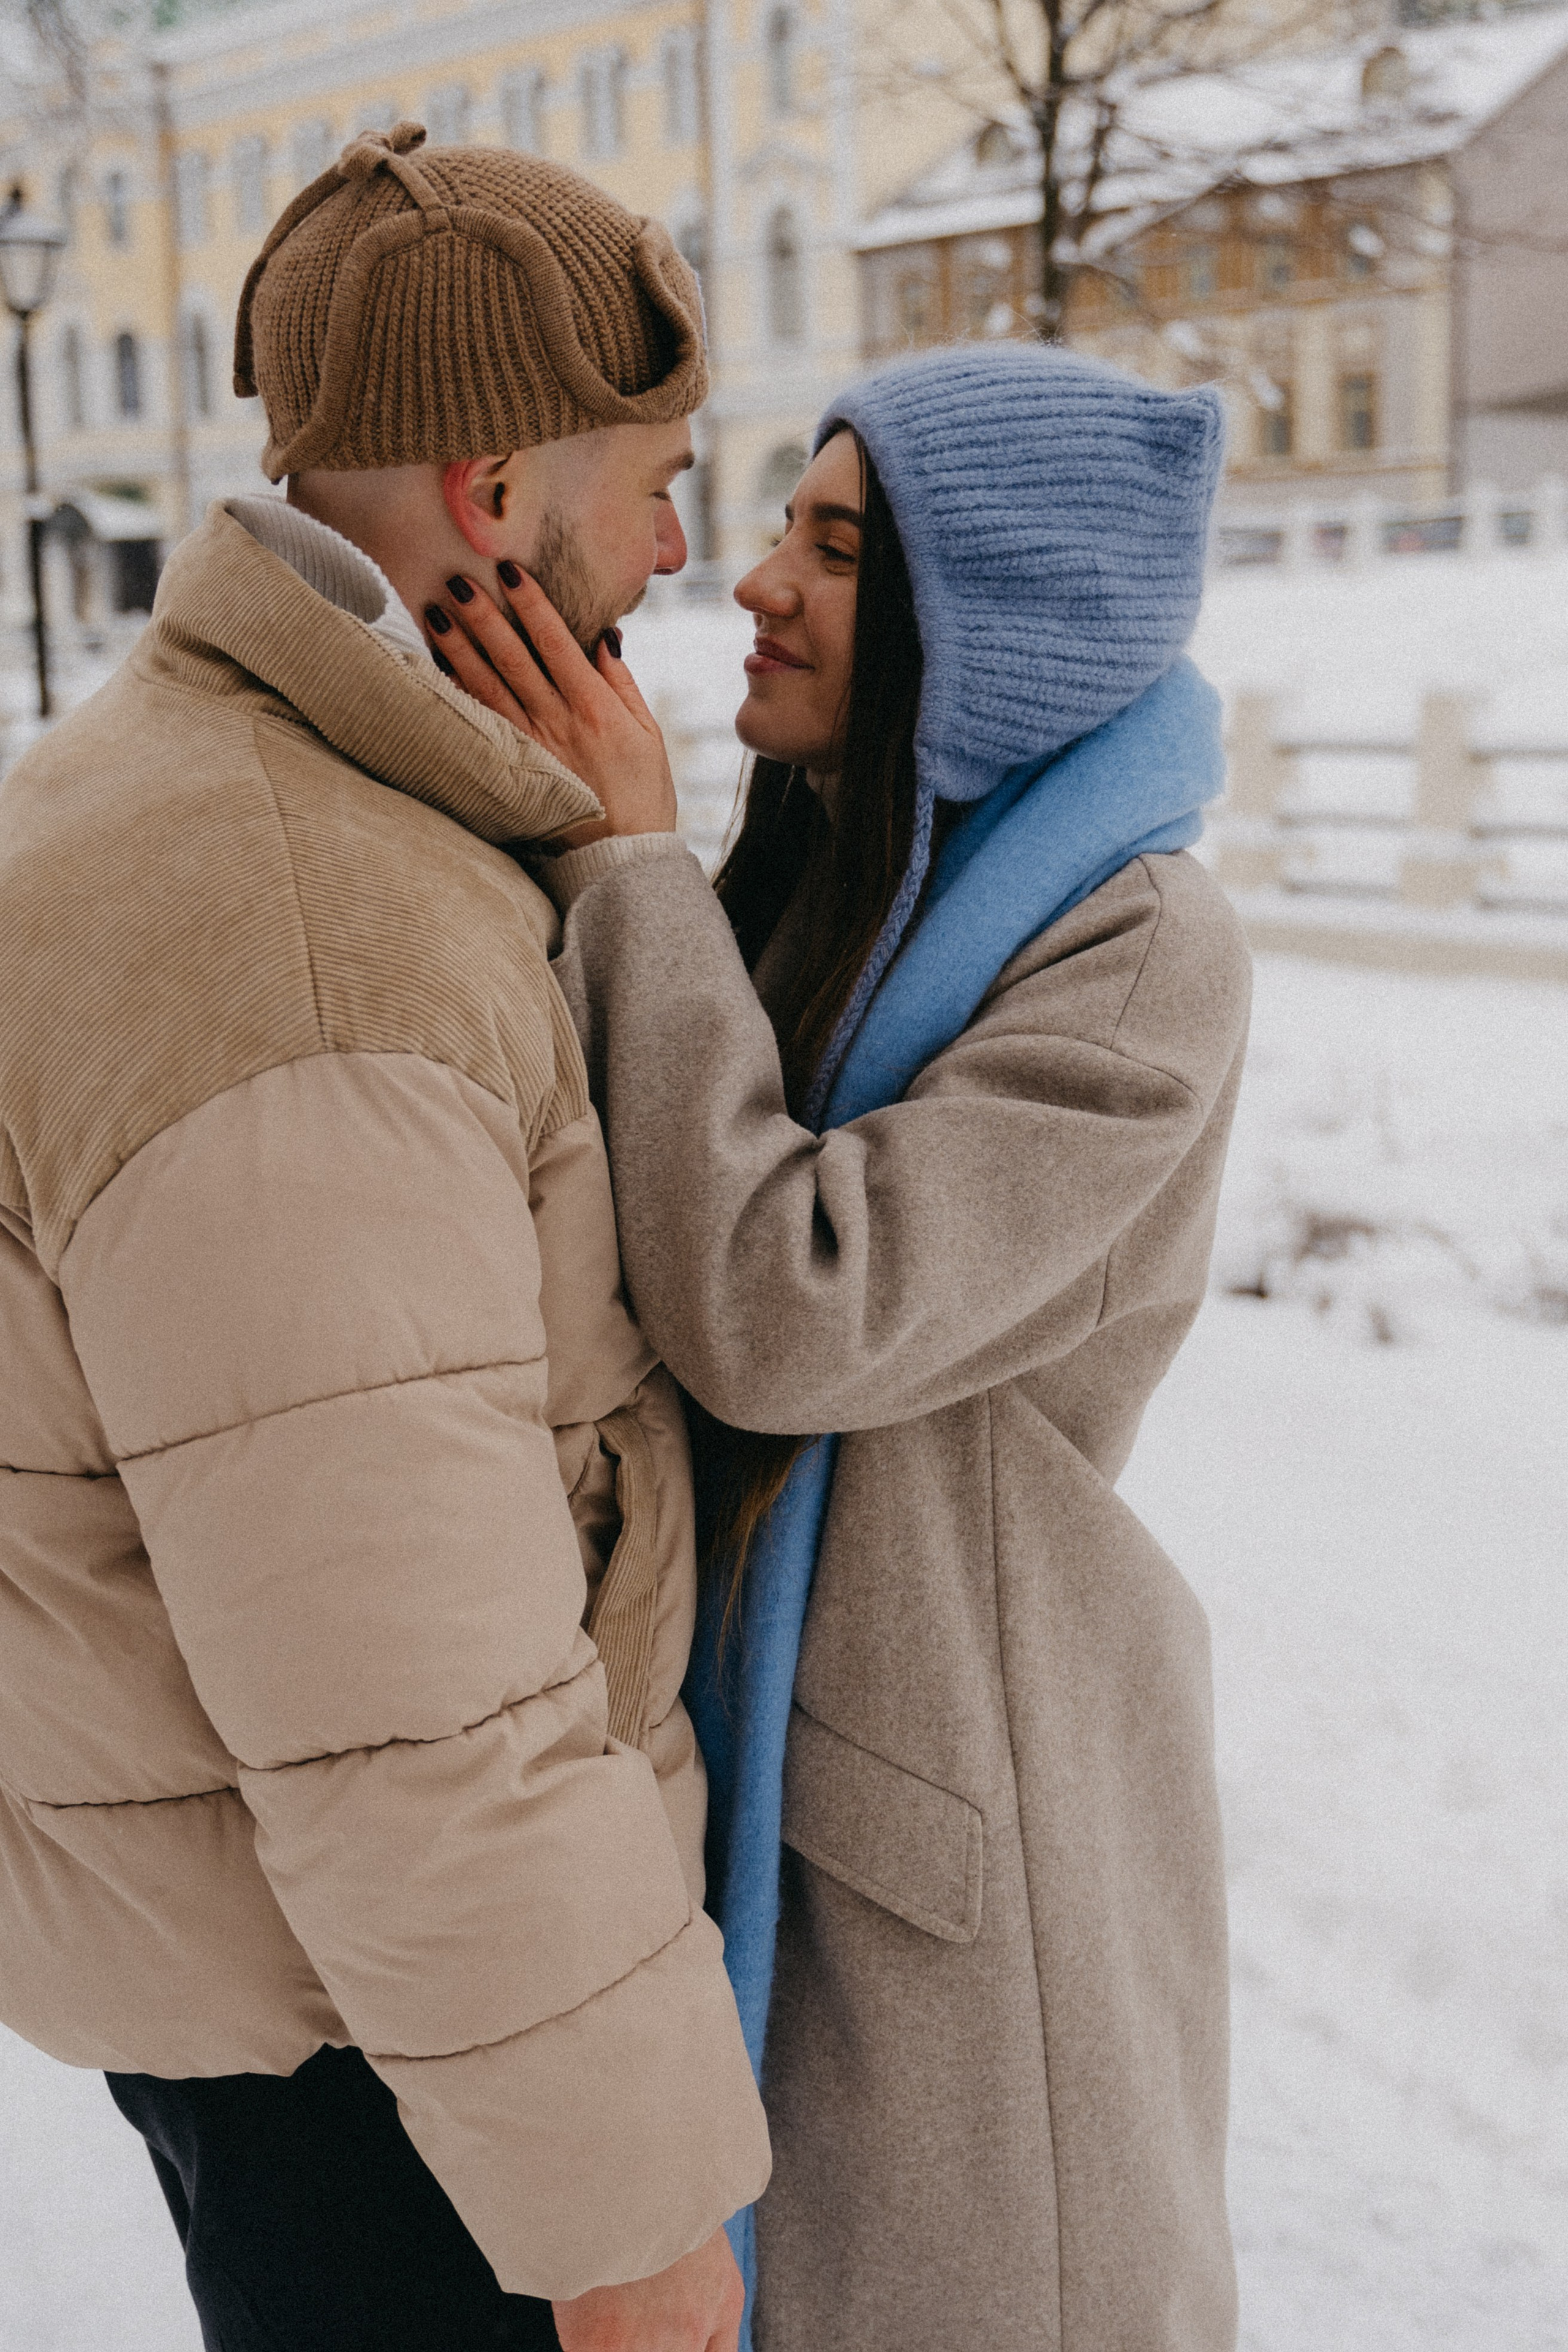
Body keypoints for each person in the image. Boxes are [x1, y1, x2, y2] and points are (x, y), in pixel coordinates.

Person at [0, 125, 769, 2352]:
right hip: (401, 2075)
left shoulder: (223, 789)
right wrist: (632, 2250)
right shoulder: (310, 933)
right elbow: (408, 1712)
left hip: (330, 2020)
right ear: (498, 494)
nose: (683, 543)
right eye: (657, 476)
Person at [423, 341, 1254, 2352]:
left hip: (976, 1797)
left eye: (838, 545)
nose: (757, 582)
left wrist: (628, 870)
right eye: (784, 521)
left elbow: (795, 1304)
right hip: (790, 1754)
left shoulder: (1140, 954)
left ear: (1002, 630)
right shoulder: (838, 870)